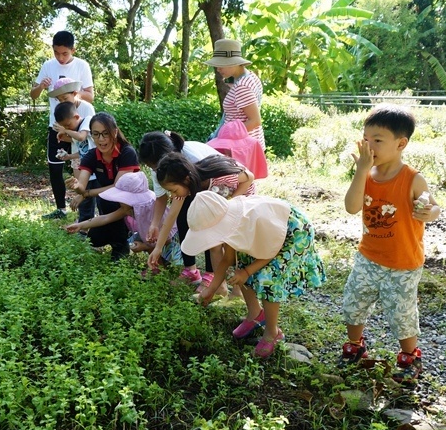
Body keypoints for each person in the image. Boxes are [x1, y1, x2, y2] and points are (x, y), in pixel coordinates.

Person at [340, 104, 441, 386]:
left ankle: (409, 356)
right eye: (366, 138)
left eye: (378, 140)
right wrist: (360, 171)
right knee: (354, 302)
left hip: (403, 263)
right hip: (368, 257)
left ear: (401, 143)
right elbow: (351, 207)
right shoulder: (366, 175)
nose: (369, 145)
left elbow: (434, 207)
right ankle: (355, 345)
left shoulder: (412, 178)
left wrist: (429, 212)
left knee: (402, 314)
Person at [182, 191, 326, 359]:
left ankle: (273, 333)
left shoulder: (253, 219)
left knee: (268, 276)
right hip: (266, 236)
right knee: (240, 265)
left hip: (290, 233)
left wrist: (247, 272)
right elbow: (228, 259)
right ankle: (255, 313)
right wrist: (211, 289)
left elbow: (270, 251)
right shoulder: (230, 225)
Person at [155, 152, 256, 296]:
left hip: (242, 202)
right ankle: (221, 287)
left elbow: (249, 177)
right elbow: (171, 216)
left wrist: (232, 202)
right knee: (214, 244)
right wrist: (158, 248)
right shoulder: (186, 188)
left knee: (234, 246)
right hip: (220, 205)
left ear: (186, 179)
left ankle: (237, 292)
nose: (172, 195)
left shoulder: (218, 177)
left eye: (173, 190)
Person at [138, 130, 221, 285]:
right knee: (182, 216)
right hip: (192, 188)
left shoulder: (191, 160)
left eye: (154, 167)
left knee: (208, 224)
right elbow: (162, 198)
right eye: (152, 167)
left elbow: (232, 176)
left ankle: (211, 274)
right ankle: (190, 270)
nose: (154, 171)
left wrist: (158, 247)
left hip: (214, 187)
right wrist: (155, 224)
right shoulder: (161, 167)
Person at [29, 30, 94, 220]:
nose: (60, 57)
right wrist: (41, 86)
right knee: (55, 167)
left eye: (65, 53)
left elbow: (90, 96)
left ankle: (86, 208)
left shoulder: (82, 65)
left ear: (73, 49)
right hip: (57, 126)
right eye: (56, 53)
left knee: (83, 165)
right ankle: (61, 209)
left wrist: (69, 94)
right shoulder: (48, 66)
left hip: (78, 125)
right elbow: (33, 94)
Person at [65, 171, 182, 272]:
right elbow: (106, 218)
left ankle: (160, 268)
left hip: (170, 241)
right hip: (154, 239)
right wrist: (80, 225)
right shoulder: (129, 208)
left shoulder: (148, 210)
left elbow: (165, 238)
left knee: (145, 241)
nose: (119, 202)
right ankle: (157, 264)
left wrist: (145, 246)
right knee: (137, 239)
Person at [65, 112, 141, 260]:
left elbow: (117, 188)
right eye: (96, 134)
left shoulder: (127, 152)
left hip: (129, 204)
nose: (101, 139)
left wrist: (85, 194)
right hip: (107, 202)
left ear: (115, 132)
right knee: (94, 238)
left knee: (110, 201)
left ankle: (122, 246)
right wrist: (77, 187)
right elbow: (82, 185)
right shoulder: (91, 155)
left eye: (105, 134)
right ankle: (118, 240)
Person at [204, 38, 265, 151]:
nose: (218, 69)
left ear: (234, 63)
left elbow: (255, 121)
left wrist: (226, 136)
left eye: (221, 64)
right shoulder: (251, 77)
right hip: (249, 145)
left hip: (241, 148)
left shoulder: (242, 86)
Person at [51, 82, 97, 223]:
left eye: (65, 98)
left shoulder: (86, 114)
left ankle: (88, 222)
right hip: (83, 157)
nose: (62, 102)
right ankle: (84, 221)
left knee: (89, 191)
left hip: (95, 161)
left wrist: (65, 131)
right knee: (81, 188)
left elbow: (83, 136)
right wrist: (69, 156)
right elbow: (80, 146)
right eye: (60, 100)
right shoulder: (69, 121)